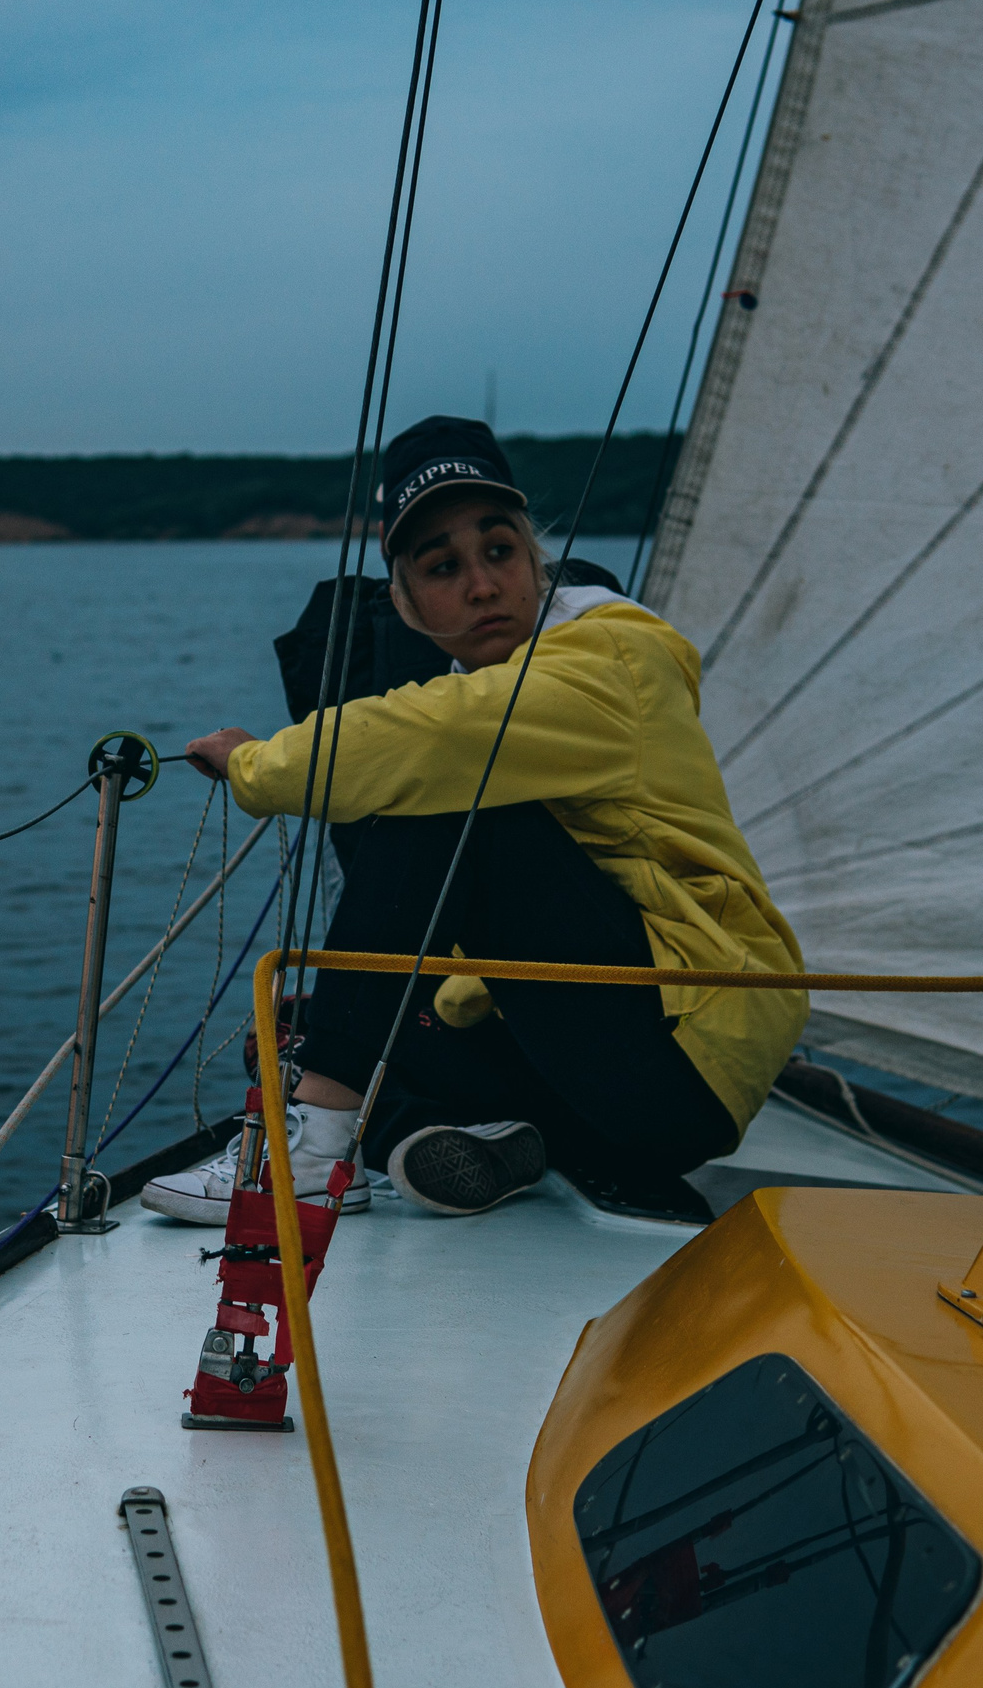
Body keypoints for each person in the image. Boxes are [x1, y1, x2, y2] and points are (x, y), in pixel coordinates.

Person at [140, 415, 805, 1224]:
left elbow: (434, 736)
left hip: (686, 1059)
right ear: (408, 602)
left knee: (442, 786)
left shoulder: (612, 658)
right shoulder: (490, 687)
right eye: (443, 566)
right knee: (311, 1027)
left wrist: (256, 762)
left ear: (535, 560)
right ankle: (468, 1138)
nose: (483, 584)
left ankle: (312, 1148)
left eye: (499, 550)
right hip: (596, 1081)